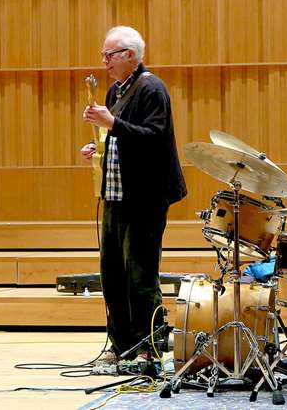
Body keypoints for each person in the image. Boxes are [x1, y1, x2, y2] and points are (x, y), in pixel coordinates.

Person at [81, 26, 186, 364]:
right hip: (114, 194)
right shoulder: (115, 90)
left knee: (141, 273)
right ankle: (121, 343)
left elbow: (154, 137)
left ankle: (149, 346)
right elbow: (122, 137)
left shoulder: (152, 88)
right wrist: (98, 147)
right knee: (112, 272)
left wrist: (112, 125)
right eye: (103, 55)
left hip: (145, 197)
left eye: (109, 55)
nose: (104, 61)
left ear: (130, 55)